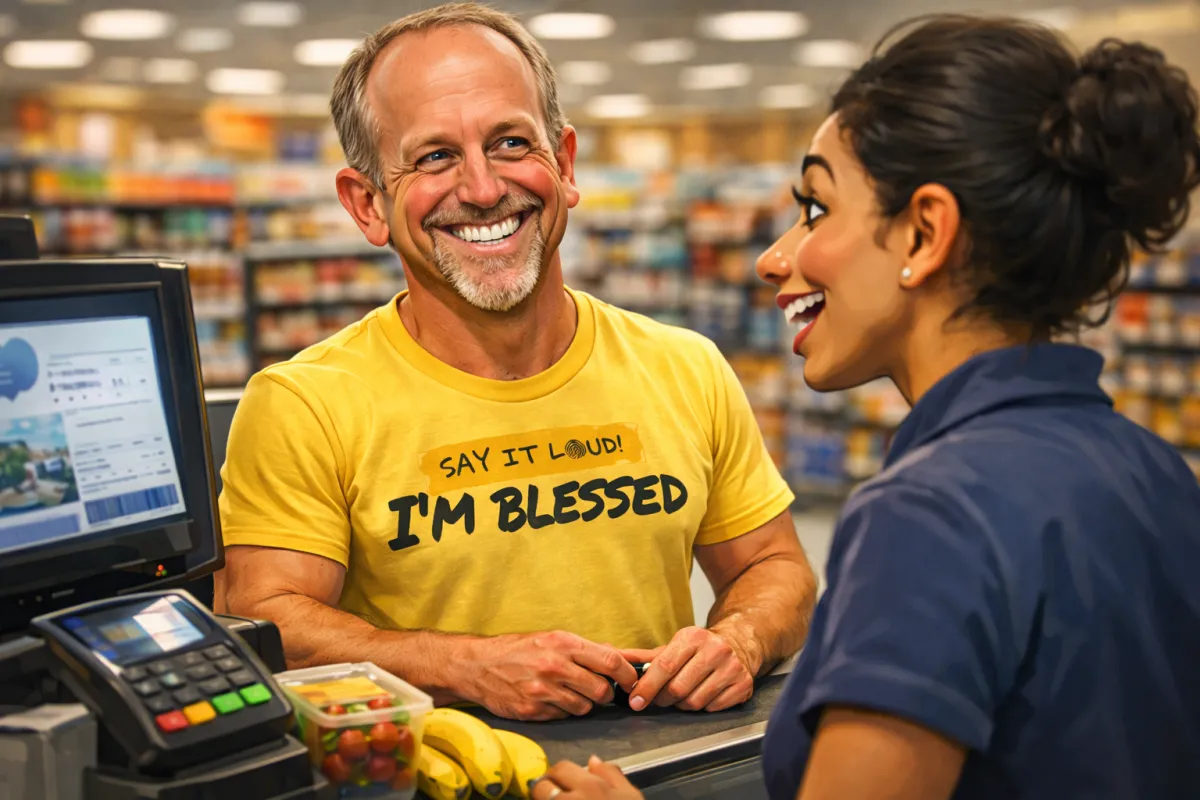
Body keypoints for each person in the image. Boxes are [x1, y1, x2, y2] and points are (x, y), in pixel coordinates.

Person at [531, 13, 1200, 800]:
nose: (776, 256)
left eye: (816, 207)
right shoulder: (1153, 470)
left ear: (924, 233)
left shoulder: (931, 514)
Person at [212, 2, 817, 723]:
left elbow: (775, 568)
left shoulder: (684, 366)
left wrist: (739, 639)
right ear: (367, 204)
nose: (484, 188)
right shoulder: (306, 403)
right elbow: (263, 620)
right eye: (435, 156)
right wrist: (463, 667)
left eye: (509, 143)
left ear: (562, 165)